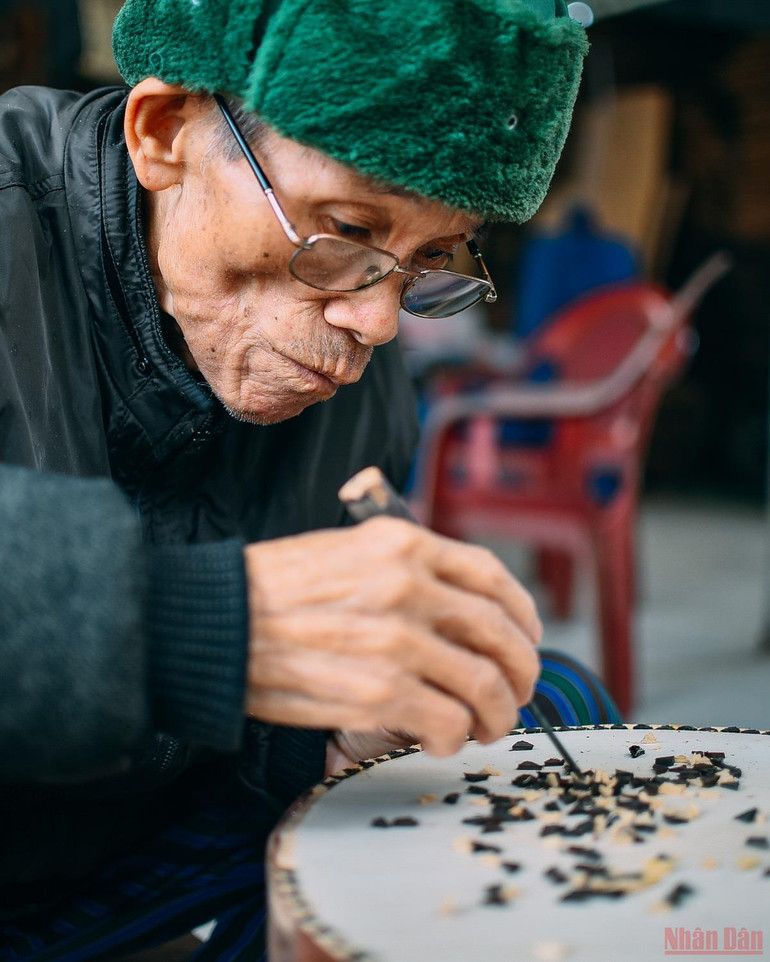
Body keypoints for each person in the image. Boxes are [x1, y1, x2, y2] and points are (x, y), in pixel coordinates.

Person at [0, 0, 618, 957]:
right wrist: (200, 627)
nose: (377, 324)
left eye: (429, 259)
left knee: (546, 710)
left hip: (121, 839)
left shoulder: (356, 380)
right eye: (346, 229)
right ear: (163, 132)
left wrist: (326, 736)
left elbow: (258, 717)